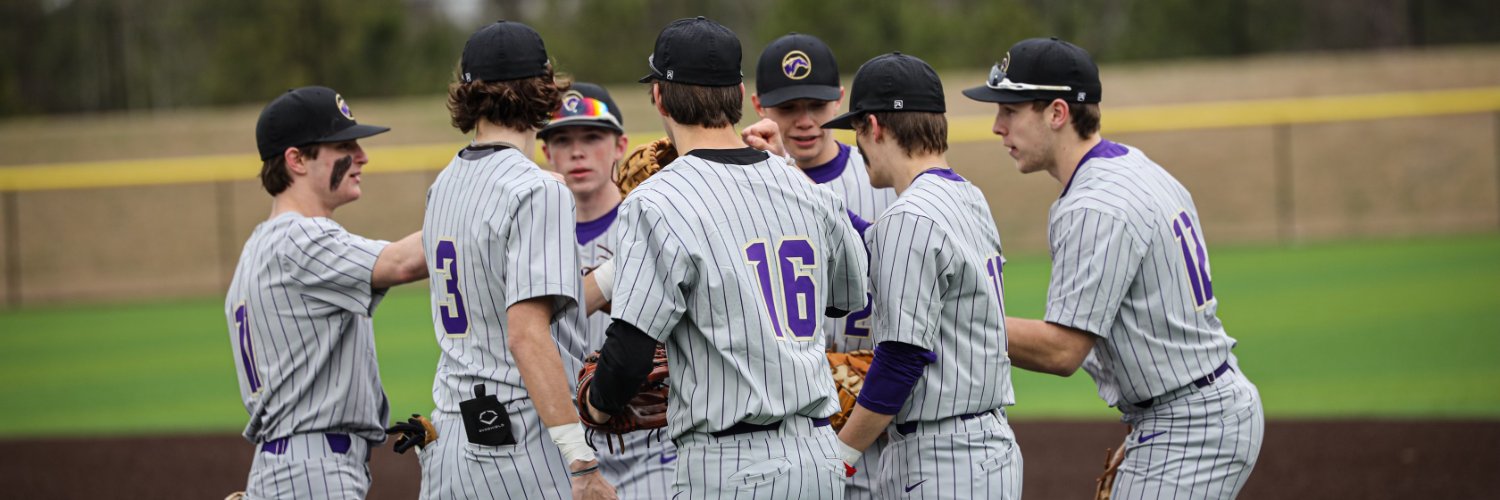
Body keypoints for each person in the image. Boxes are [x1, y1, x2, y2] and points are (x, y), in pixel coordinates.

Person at [578, 16, 868, 499]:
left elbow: (629, 355)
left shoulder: (657, 200)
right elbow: (843, 300)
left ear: (660, 97)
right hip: (819, 458)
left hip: (729, 465)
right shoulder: (801, 183)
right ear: (737, 93)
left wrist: (599, 405)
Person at [963, 37, 1264, 499]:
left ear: (1058, 113)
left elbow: (1062, 351)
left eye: (1011, 108)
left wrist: (957, 322)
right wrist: (1147, 429)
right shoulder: (1135, 168)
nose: (997, 126)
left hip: (1191, 424)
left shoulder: (1095, 205)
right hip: (1193, 410)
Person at [418, 21, 615, 500]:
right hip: (517, 439)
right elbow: (526, 333)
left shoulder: (443, 183)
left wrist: (619, 270)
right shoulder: (538, 188)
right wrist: (582, 463)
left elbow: (531, 307)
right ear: (546, 91)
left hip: (450, 434)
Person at [817, 52, 1023, 499]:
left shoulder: (908, 218)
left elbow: (901, 359)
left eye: (855, 131)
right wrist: (802, 190)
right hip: (984, 448)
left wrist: (840, 458)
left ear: (874, 126)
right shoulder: (965, 196)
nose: (856, 146)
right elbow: (888, 247)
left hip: (942, 459)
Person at [227, 85, 428, 499]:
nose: (362, 156)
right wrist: (480, 203)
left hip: (290, 465)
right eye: (344, 145)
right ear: (296, 159)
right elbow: (403, 262)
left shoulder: (259, 245)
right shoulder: (300, 238)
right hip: (312, 470)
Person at [741, 32, 898, 500]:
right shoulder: (741, 190)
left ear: (840, 100)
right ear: (759, 105)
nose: (805, 121)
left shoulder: (880, 179)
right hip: (787, 418)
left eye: (817, 104)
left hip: (880, 412)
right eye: (789, 108)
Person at [538, 82, 676, 498]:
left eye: (593, 137)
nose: (577, 152)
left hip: (652, 439)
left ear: (621, 145)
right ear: (546, 152)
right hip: (566, 448)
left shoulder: (655, 221)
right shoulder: (534, 237)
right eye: (563, 139)